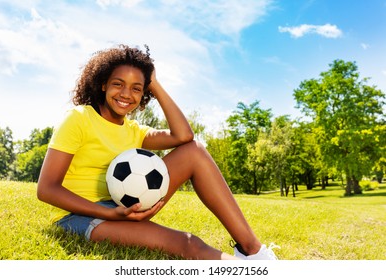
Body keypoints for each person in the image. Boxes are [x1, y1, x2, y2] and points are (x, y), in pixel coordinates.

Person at [37, 44, 279, 260]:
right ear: (103, 85)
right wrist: (111, 214)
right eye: (118, 84)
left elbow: (184, 136)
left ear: (144, 94)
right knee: (189, 244)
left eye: (136, 88)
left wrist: (154, 82)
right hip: (79, 217)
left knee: (194, 151)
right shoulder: (79, 118)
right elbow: (46, 189)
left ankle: (253, 251)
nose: (125, 94)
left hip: (123, 206)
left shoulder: (134, 131)